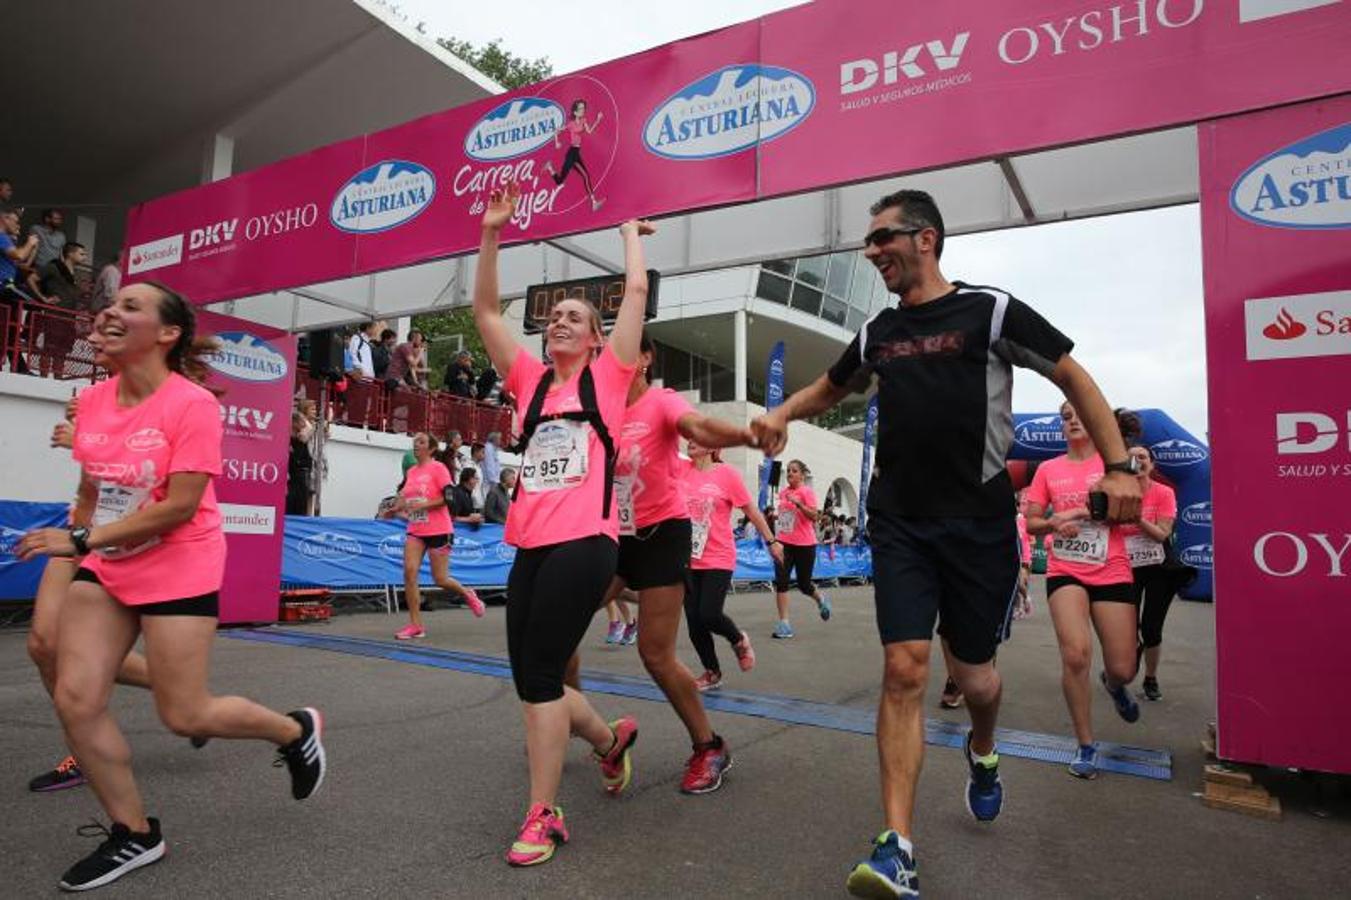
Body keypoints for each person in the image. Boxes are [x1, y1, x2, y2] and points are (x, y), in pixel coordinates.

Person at [749, 189, 1140, 898]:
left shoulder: (988, 310)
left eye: (880, 239)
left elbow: (1070, 374)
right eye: (868, 243)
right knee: (902, 668)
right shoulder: (876, 333)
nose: (872, 253)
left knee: (977, 679)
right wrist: (779, 412)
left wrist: (1116, 467)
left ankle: (983, 749)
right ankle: (896, 845)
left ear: (923, 238)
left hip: (978, 528)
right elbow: (829, 387)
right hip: (899, 520)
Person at [16, 282, 326, 891]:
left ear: (166, 334)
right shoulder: (96, 400)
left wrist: (79, 542)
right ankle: (134, 833)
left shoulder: (192, 405)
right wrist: (85, 537)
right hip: (109, 558)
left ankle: (295, 731)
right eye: (112, 302)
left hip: (180, 559)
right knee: (76, 697)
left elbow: (181, 507)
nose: (111, 311)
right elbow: (96, 487)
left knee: (184, 713)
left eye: (131, 306)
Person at [474, 181, 646, 867]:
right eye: (554, 317)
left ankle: (543, 813)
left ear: (597, 337)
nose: (561, 323)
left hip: (587, 544)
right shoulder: (529, 381)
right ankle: (609, 741)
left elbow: (633, 295)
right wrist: (492, 233)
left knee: (541, 677)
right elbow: (485, 308)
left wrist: (629, 234)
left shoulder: (606, 378)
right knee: (532, 681)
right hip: (532, 545)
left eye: (575, 317)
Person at [595, 332, 760, 793]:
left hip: (662, 535)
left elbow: (698, 427)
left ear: (645, 357)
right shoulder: (602, 410)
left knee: (654, 653)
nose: (614, 354)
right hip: (615, 537)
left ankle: (709, 746)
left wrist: (746, 433)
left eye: (626, 345)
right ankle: (572, 722)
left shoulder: (661, 402)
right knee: (562, 622)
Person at [1025, 400, 1142, 780]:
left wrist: (1078, 513)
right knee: (1075, 656)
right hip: (1065, 571)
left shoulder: (1116, 466)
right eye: (1065, 417)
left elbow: (1134, 515)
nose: (1073, 420)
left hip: (1111, 567)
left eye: (1079, 414)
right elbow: (1032, 524)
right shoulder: (1047, 469)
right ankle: (1086, 744)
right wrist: (1054, 524)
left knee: (1123, 667)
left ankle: (1113, 684)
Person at [682, 439, 782, 691]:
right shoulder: (682, 471)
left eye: (698, 437)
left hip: (718, 556)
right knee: (694, 622)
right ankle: (712, 672)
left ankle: (738, 640)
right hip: (688, 558)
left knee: (709, 614)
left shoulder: (727, 474)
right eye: (689, 436)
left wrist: (771, 541)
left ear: (713, 446)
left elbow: (751, 511)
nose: (690, 441)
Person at [390, 432, 485, 639]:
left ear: (431, 448)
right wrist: (395, 507)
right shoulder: (412, 471)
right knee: (409, 572)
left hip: (439, 529)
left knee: (440, 578)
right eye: (415, 442)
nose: (416, 445)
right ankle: (416, 625)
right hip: (416, 529)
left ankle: (467, 593)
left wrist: (425, 504)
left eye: (421, 442)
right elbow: (404, 496)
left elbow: (449, 498)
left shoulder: (438, 468)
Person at [1119, 443, 1178, 701]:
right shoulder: (1118, 494)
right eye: (1131, 457)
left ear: (1151, 464)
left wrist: (1137, 519)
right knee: (1127, 629)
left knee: (1152, 628)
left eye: (1142, 457)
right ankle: (1126, 664)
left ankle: (1150, 677)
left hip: (1159, 567)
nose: (1137, 460)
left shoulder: (1164, 493)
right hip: (1126, 566)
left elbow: (1162, 534)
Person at [770, 460, 831, 639]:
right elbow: (783, 518)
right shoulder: (782, 493)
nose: (790, 473)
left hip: (805, 545)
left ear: (802, 475)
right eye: (788, 471)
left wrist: (799, 504)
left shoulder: (806, 492)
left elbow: (815, 516)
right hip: (783, 543)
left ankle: (821, 600)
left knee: (804, 585)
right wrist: (774, 516)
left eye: (794, 471)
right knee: (781, 581)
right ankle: (784, 624)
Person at [544, 100, 605, 212]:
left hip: (576, 152)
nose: (583, 110)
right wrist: (557, 142)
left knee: (561, 180)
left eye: (583, 108)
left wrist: (598, 120)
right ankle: (594, 203)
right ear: (575, 112)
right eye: (580, 109)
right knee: (582, 177)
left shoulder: (583, 121)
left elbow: (590, 131)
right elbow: (556, 130)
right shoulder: (571, 124)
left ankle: (550, 167)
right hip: (572, 153)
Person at [286, 411, 314, 516]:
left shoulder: (301, 437)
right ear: (294, 423)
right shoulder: (291, 438)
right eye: (301, 421)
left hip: (301, 476)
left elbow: (310, 427)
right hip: (293, 477)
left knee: (301, 504)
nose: (304, 424)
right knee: (293, 503)